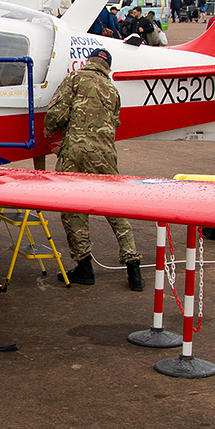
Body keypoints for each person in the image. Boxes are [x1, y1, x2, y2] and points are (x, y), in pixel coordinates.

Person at [43, 48, 143, 289]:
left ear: (88, 62)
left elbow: (58, 111)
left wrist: (49, 130)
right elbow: (114, 123)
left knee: (73, 207)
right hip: (105, 155)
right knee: (115, 208)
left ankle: (85, 268)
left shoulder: (75, 78)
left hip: (75, 153)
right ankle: (134, 270)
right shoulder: (112, 90)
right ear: (107, 68)